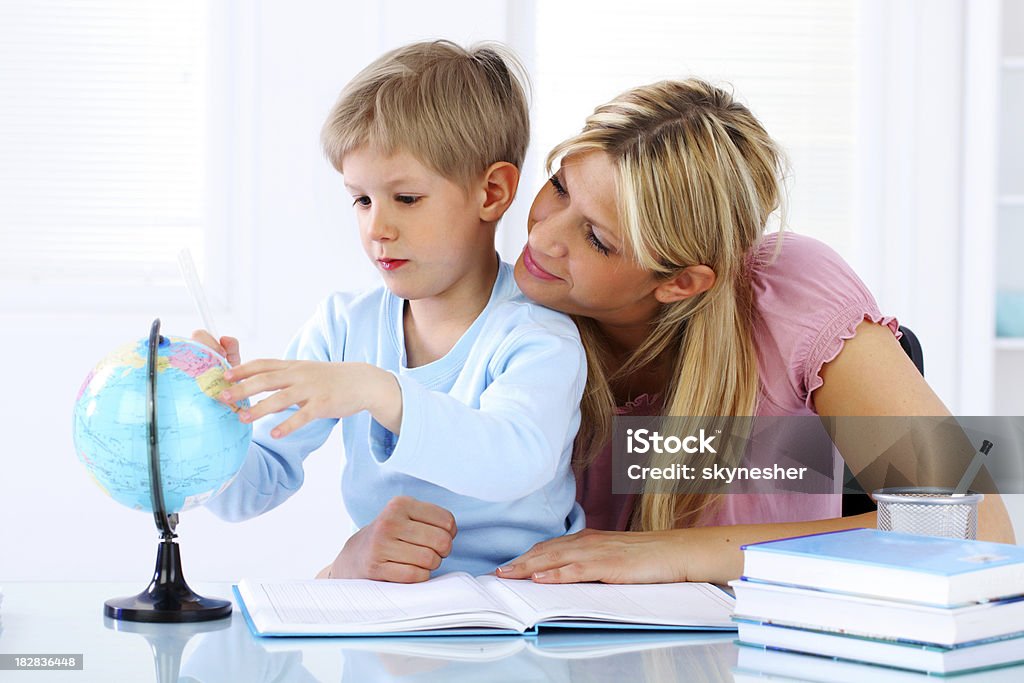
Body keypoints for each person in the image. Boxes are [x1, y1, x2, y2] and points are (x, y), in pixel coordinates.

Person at [488, 77, 1016, 585]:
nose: (542, 236)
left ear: (681, 281)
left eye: (598, 239)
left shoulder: (793, 297)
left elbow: (976, 529)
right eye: (559, 187)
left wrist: (680, 553)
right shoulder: (490, 308)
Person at [195, 40, 586, 582]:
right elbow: (249, 494)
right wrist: (209, 424)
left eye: (405, 198)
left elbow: (514, 460)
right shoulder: (341, 327)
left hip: (523, 613)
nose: (377, 227)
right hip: (392, 608)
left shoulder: (537, 334)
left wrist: (380, 391)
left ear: (492, 192)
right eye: (361, 200)